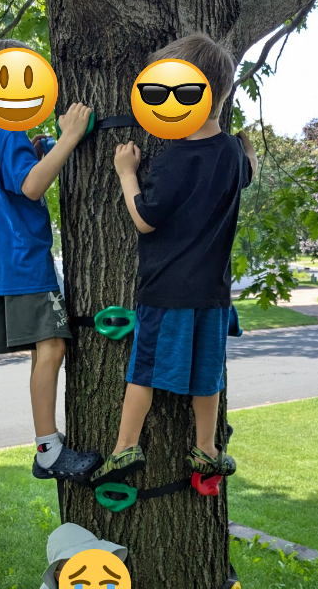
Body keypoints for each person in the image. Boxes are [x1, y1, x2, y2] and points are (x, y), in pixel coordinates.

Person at [90, 33, 258, 486]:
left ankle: (125, 448)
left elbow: (145, 218)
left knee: (143, 370)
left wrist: (127, 173)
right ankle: (207, 448)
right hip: (214, 295)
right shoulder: (230, 153)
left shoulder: (173, 158)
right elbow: (248, 169)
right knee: (208, 374)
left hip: (166, 290)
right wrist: (248, 148)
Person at [0, 39, 101, 483]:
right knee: (54, 346)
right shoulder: (5, 129)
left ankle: (47, 446)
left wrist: (44, 146)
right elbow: (30, 186)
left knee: (47, 347)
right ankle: (48, 450)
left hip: (6, 262)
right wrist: (68, 139)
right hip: (21, 260)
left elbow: (17, 175)